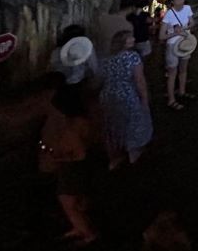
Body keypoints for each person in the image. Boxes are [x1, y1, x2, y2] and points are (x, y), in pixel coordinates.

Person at [39, 81, 98, 244]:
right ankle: (80, 226)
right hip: (79, 168)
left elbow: (79, 155)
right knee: (77, 202)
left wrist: (56, 157)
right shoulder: (83, 120)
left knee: (68, 203)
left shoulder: (72, 128)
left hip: (72, 171)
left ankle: (87, 233)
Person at [99, 30, 153, 170]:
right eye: (130, 38)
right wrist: (145, 99)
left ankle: (114, 157)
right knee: (133, 124)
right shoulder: (132, 57)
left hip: (107, 95)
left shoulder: (106, 59)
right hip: (127, 95)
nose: (134, 39)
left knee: (113, 126)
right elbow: (139, 80)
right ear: (124, 41)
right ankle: (133, 154)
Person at [159, 0, 194, 109]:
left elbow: (192, 23)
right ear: (172, 2)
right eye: (178, 0)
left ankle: (182, 91)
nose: (181, 1)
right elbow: (161, 36)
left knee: (184, 69)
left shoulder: (187, 8)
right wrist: (175, 33)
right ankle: (171, 99)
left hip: (185, 44)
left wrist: (184, 29)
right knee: (172, 72)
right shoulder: (168, 14)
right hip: (173, 45)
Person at [50, 25, 99, 89]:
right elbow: (94, 68)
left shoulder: (57, 51)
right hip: (75, 84)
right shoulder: (87, 49)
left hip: (59, 85)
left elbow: (53, 67)